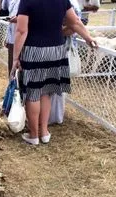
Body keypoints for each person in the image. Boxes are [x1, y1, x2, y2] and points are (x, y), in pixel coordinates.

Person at [11, 0, 96, 145]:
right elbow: (75, 22)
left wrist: (15, 58)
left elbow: (21, 31)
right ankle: (44, 132)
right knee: (46, 92)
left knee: (33, 93)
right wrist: (88, 37)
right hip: (56, 50)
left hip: (34, 50)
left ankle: (33, 135)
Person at [4, 0, 19, 76]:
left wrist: (18, 19)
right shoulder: (13, 1)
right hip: (12, 37)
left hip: (22, 40)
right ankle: (11, 85)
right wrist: (7, 37)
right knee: (11, 66)